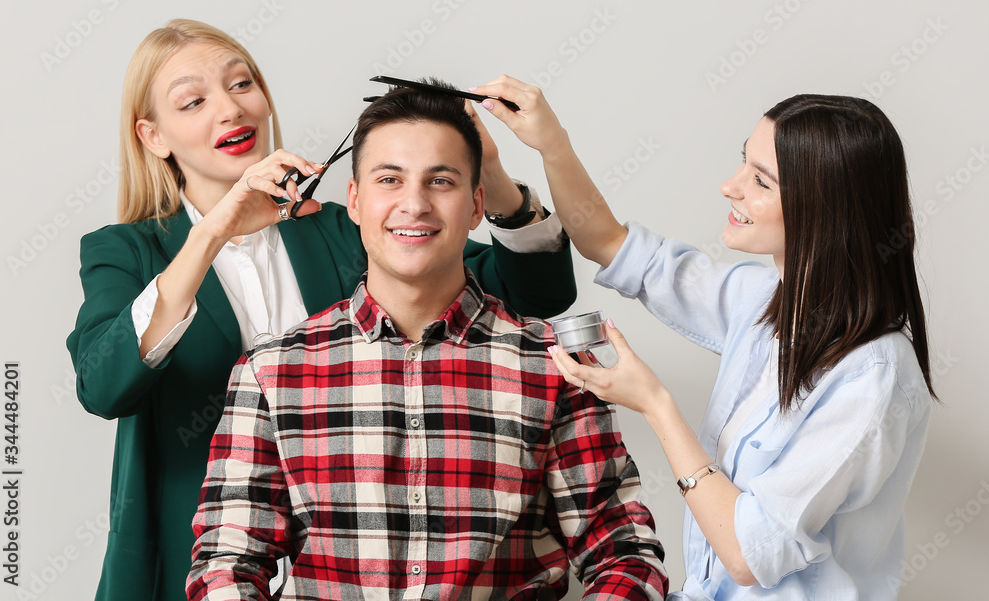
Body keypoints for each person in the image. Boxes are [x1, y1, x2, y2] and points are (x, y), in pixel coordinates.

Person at [66, 21, 577, 601]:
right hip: (196, 570)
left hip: (350, 570)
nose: (231, 109)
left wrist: (484, 166)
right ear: (153, 136)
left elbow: (536, 293)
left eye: (242, 84)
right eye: (193, 101)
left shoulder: (342, 227)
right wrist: (212, 235)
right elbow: (101, 386)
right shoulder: (124, 251)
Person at [186, 80, 669, 600]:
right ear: (353, 200)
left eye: (440, 181)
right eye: (389, 179)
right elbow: (228, 562)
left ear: (477, 203)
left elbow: (623, 555)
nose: (413, 203)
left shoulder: (555, 366)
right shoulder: (272, 371)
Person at [472, 76, 934, 600]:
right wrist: (549, 142)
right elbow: (608, 241)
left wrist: (655, 404)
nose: (731, 186)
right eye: (744, 162)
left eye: (762, 181)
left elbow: (747, 554)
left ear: (825, 206)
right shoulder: (762, 301)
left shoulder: (874, 373)